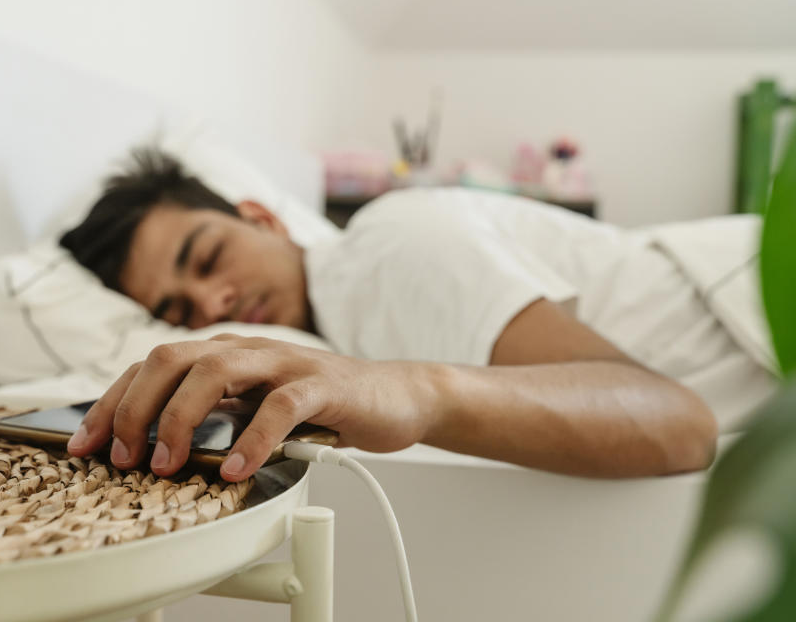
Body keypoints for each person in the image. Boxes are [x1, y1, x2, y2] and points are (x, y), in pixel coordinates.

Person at [59, 149, 778, 483]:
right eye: (179, 310)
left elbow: (676, 420)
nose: (212, 303)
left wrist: (417, 391)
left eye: (208, 256)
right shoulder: (347, 313)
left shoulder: (384, 246)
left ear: (263, 218)